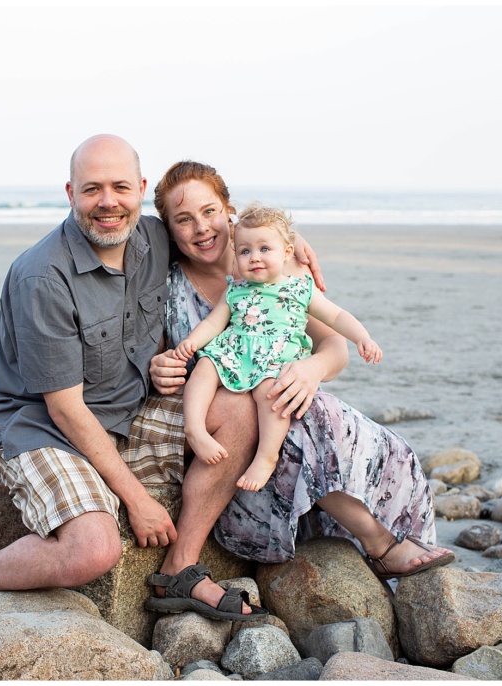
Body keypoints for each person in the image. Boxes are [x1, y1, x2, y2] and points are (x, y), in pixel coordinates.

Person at [0, 136, 265, 671]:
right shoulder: (42, 276)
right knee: (94, 550)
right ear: (71, 193)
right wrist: (136, 499)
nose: (109, 202)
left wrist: (297, 251)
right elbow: (67, 410)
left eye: (121, 187)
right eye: (93, 189)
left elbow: (228, 238)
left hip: (130, 415)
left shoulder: (154, 238)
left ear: (141, 191)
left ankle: (179, 568)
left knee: (237, 407)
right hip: (45, 428)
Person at [149, 160, 455, 579]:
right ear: (168, 229)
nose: (201, 228)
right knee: (294, 418)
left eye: (210, 212)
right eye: (183, 220)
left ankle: (382, 538)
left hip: (281, 397)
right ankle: (380, 544)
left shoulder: (281, 270)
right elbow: (162, 359)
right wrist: (162, 367)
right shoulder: (165, 286)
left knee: (300, 407)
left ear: (229, 211)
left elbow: (335, 345)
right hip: (229, 435)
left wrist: (311, 369)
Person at [175, 201, 382, 493]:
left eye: (264, 249)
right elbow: (212, 324)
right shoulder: (234, 289)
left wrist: (362, 337)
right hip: (236, 353)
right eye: (245, 251)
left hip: (276, 359)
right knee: (205, 366)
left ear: (287, 253)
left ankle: (266, 456)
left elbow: (336, 315)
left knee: (272, 393)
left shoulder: (299, 288)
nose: (254, 257)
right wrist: (192, 343)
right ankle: (194, 428)